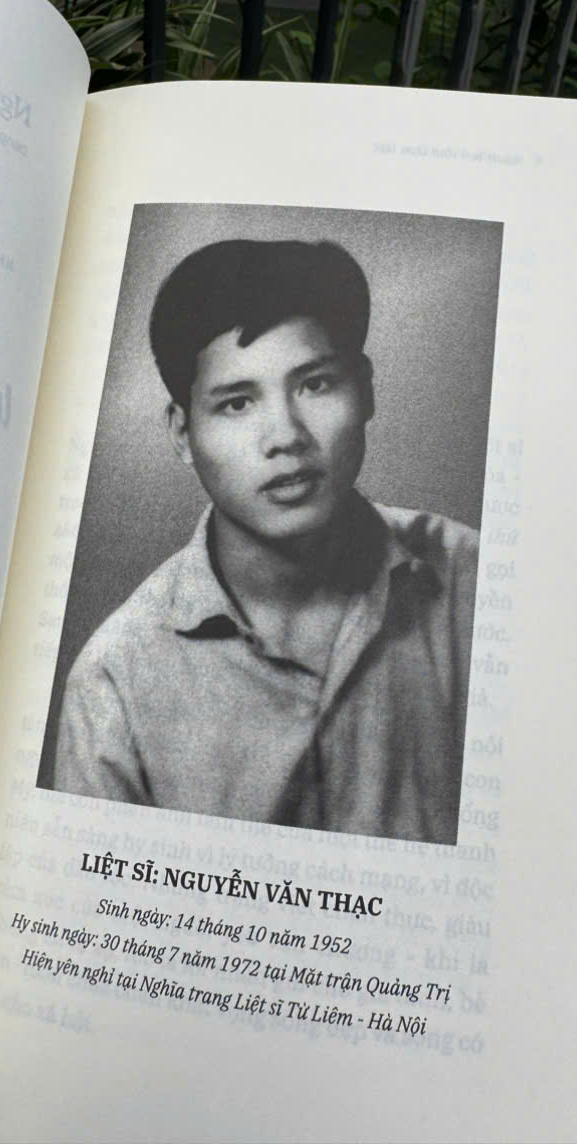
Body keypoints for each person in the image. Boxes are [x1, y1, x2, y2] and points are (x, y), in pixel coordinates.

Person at [52, 239, 478, 844]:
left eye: (316, 384)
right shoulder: (114, 680)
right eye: (236, 403)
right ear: (182, 433)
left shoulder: (473, 583)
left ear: (365, 389)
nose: (285, 436)